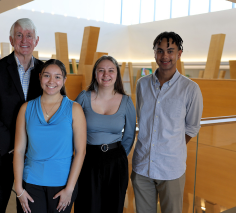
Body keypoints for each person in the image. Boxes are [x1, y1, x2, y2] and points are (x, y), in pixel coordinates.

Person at [131, 32, 203, 213]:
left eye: (170, 51)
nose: (165, 56)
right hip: (142, 166)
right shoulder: (142, 84)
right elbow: (141, 118)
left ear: (179, 54)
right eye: (160, 51)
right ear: (154, 53)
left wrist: (172, 146)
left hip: (171, 168)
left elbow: (192, 127)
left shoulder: (191, 89)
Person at [0, 18, 44, 212]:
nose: (24, 40)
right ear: (11, 39)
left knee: (28, 210)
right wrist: (16, 148)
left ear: (36, 40)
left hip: (33, 159)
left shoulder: (46, 71)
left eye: (29, 35)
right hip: (1, 154)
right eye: (19, 35)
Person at [13, 59, 86, 213]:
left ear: (64, 80)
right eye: (47, 75)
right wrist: (18, 188)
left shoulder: (75, 109)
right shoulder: (26, 108)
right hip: (30, 183)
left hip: (62, 185)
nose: (52, 81)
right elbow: (19, 151)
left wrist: (70, 189)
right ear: (40, 77)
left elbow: (80, 152)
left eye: (58, 77)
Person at [74, 55, 136, 213]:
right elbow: (70, 129)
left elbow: (129, 136)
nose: (106, 74)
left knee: (113, 207)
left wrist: (117, 156)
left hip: (116, 162)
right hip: (87, 159)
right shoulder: (83, 98)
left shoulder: (126, 102)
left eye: (111, 70)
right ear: (95, 73)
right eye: (101, 70)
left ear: (117, 74)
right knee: (87, 205)